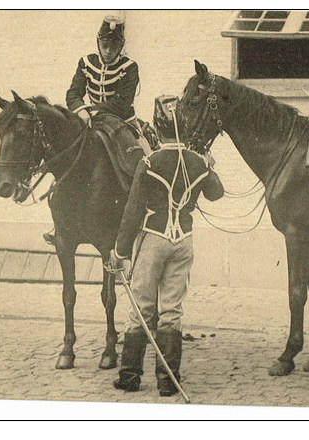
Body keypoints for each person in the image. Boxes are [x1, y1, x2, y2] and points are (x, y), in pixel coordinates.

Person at [110, 95, 224, 396]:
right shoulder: (198, 162)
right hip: (184, 243)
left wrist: (119, 252)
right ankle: (167, 380)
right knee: (172, 310)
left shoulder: (149, 163)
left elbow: (132, 213)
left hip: (154, 240)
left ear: (157, 129)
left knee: (141, 309)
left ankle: (131, 376)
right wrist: (209, 167)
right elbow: (216, 193)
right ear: (184, 127)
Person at [44, 15, 141, 246]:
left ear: (121, 46)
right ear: (98, 43)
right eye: (105, 45)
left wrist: (94, 110)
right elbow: (73, 93)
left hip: (121, 121)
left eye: (114, 46)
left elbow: (123, 101)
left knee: (139, 157)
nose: (108, 51)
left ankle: (140, 206)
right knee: (67, 155)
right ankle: (61, 220)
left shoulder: (129, 67)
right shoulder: (86, 62)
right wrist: (82, 110)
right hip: (89, 119)